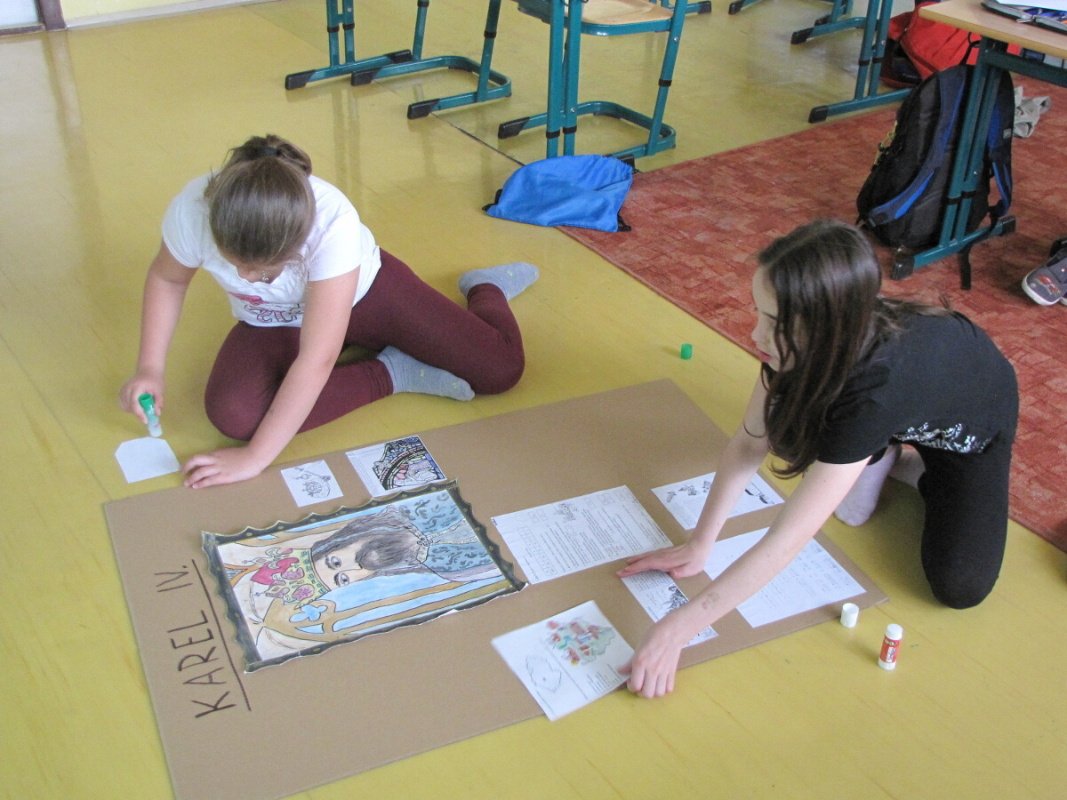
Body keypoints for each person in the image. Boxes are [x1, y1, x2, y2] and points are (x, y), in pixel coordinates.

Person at [619, 219, 1018, 698]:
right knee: (816, 467)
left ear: (827, 327)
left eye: (776, 324)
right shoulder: (804, 343)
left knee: (960, 586)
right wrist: (699, 543)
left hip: (965, 433)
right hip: (881, 407)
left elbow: (787, 540)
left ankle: (912, 465)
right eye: (760, 313)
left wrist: (678, 629)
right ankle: (879, 450)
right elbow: (748, 443)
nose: (756, 334)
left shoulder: (873, 390)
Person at [119, 134, 537, 489]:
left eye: (262, 271)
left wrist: (255, 459)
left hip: (367, 297)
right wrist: (149, 368)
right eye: (234, 264)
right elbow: (168, 280)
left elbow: (316, 358)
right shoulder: (193, 211)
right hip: (276, 318)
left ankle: (487, 287)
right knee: (235, 416)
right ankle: (392, 372)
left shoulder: (332, 221)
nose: (245, 278)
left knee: (500, 370)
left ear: (296, 244)